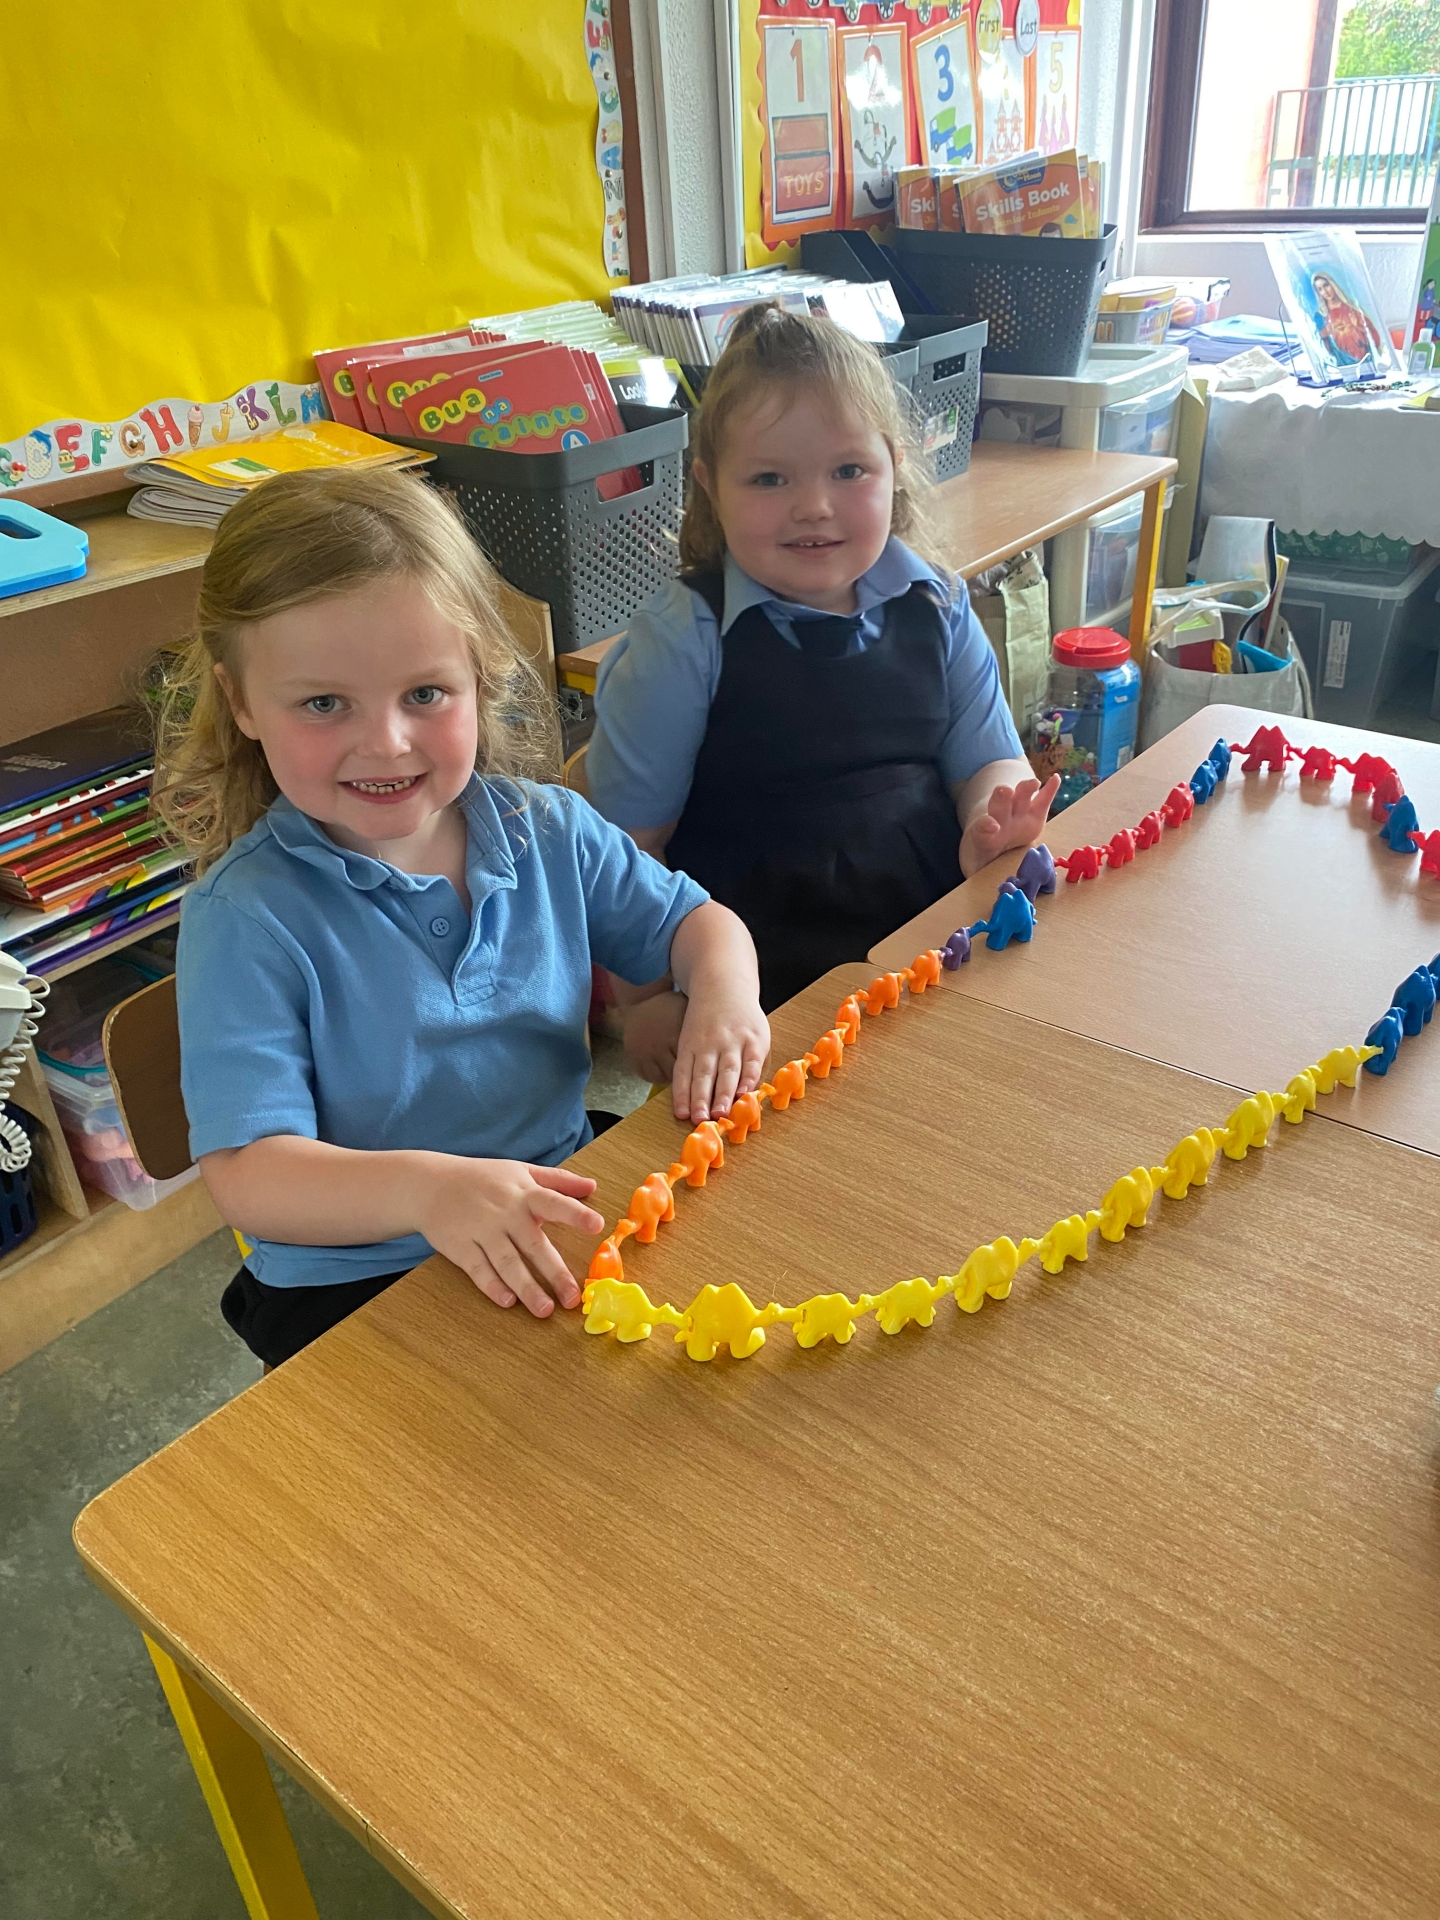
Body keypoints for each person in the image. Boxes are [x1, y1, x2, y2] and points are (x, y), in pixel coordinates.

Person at [156, 469, 767, 1367]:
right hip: (358, 1276)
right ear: (242, 700)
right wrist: (427, 1192)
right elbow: (250, 1174)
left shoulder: (548, 829)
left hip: (553, 1200)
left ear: (479, 675)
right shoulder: (245, 919)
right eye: (324, 703)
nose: (386, 742)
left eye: (425, 694)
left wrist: (724, 998)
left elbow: (702, 927)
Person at [586, 303, 1055, 1073]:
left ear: (894, 466)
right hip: (758, 1001)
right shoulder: (686, 637)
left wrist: (990, 818)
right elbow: (625, 852)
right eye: (769, 478)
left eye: (848, 471)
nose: (813, 505)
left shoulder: (937, 603)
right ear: (710, 487)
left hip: (926, 959)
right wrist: (643, 1001)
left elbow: (986, 763)